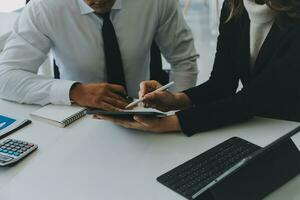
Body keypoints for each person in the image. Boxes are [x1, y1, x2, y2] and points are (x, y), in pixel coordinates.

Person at [98, 0, 300, 136]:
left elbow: (253, 99)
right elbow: (221, 83)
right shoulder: (235, 6)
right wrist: (176, 100)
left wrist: (172, 123)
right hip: (260, 128)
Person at [0, 0, 199, 111]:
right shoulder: (43, 8)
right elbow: (5, 76)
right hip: (77, 117)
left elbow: (183, 60)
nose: (99, 0)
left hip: (146, 112)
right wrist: (75, 92)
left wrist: (178, 108)